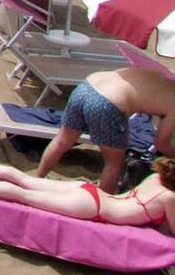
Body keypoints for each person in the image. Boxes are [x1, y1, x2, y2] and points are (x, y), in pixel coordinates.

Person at [37, 68, 175, 192]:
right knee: (114, 163)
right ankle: (103, 204)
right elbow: (161, 144)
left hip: (88, 86)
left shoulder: (160, 77)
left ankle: (37, 180)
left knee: (62, 141)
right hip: (107, 104)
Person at [0, 157, 175, 229]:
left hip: (88, 191)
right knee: (23, 196)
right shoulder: (169, 198)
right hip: (93, 208)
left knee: (26, 181)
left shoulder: (155, 177)